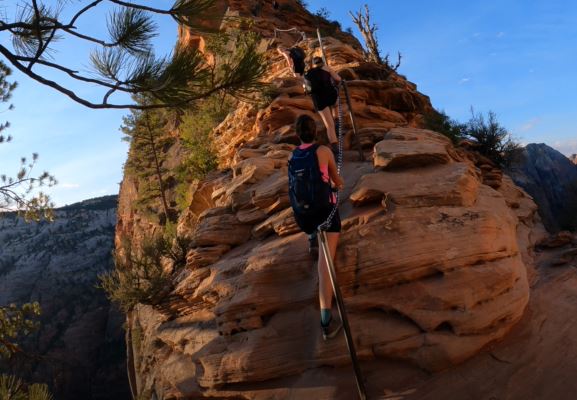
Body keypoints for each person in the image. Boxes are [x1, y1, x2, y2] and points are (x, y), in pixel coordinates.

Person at [288, 114, 345, 340]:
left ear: (297, 134)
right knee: (325, 265)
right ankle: (325, 320)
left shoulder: (293, 155)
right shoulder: (323, 151)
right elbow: (337, 181)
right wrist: (335, 185)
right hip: (326, 213)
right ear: (316, 130)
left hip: (304, 216)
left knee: (313, 223)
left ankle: (312, 235)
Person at [304, 56, 342, 152]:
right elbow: (338, 79)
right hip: (330, 95)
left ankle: (335, 147)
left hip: (318, 99)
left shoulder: (308, 73)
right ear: (322, 62)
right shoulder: (327, 68)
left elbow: (306, 88)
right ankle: (337, 119)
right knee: (336, 103)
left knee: (329, 125)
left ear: (313, 64)